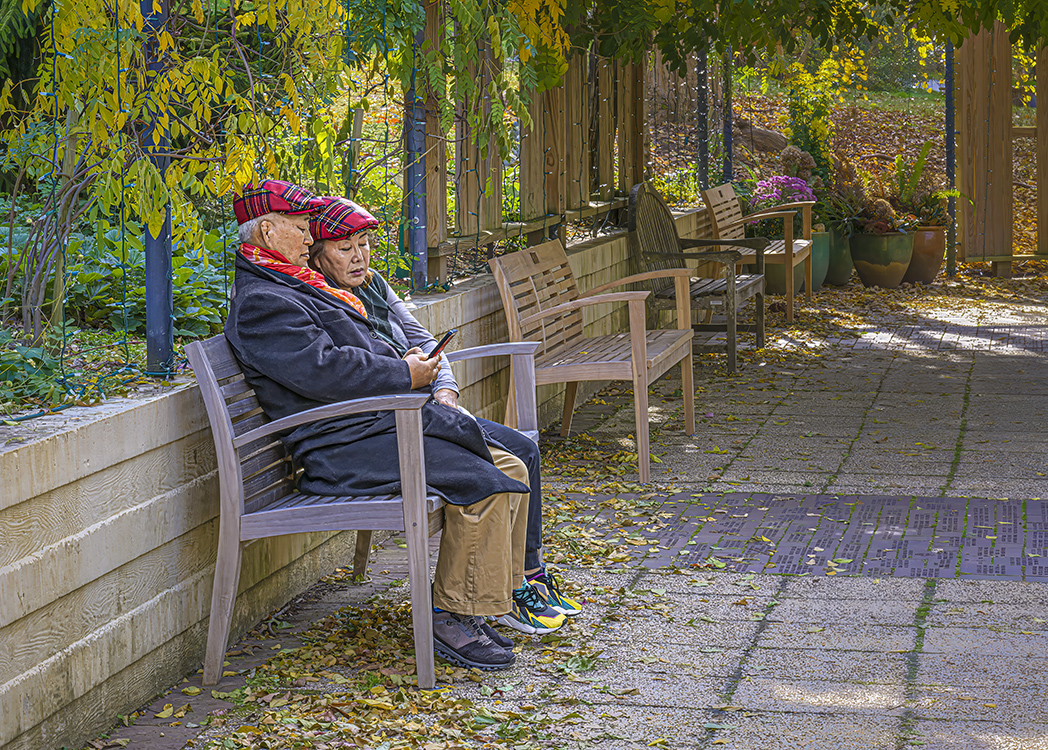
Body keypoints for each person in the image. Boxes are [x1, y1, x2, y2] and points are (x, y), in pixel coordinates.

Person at [224, 179, 530, 671]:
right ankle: (448, 616)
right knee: (484, 483)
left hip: (369, 427)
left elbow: (350, 353)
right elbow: (323, 370)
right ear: (266, 231)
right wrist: (403, 374)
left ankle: (477, 604)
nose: (310, 237)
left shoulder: (289, 281)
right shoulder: (263, 299)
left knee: (510, 467)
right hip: (338, 447)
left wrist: (409, 370)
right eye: (301, 228)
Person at [306, 195, 583, 636]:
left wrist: (446, 391)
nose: (359, 256)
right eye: (345, 248)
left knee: (525, 451)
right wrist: (415, 381)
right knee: (501, 467)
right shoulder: (326, 301)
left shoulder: (373, 286)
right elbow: (351, 374)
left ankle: (527, 575)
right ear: (318, 254)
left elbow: (424, 340)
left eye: (364, 244)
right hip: (389, 424)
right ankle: (500, 592)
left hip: (426, 407)